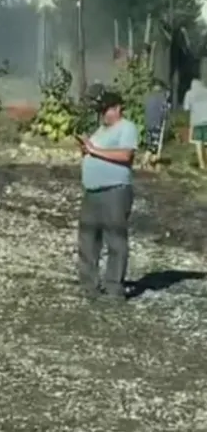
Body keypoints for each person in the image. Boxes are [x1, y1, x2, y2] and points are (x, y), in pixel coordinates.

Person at [77, 90, 139, 301]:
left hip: (115, 190)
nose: (103, 114)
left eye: (106, 109)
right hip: (92, 191)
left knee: (115, 240)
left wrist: (94, 151)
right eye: (101, 110)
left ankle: (114, 288)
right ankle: (89, 286)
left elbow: (125, 155)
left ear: (117, 108)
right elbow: (94, 152)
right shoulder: (101, 130)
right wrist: (85, 150)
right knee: (87, 239)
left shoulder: (126, 127)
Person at [142, 79, 169, 169]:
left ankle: (150, 163)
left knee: (151, 143)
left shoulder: (149, 96)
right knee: (153, 145)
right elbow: (164, 113)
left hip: (148, 123)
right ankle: (145, 161)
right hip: (156, 124)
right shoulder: (162, 98)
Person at [183, 77, 207, 171]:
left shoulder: (189, 93)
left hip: (196, 122)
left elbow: (186, 108)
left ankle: (202, 164)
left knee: (198, 143)